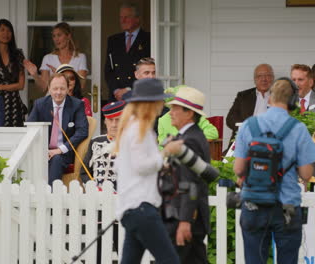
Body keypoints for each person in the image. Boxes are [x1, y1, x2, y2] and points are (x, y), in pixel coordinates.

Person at [233, 79, 315, 264]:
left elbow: (238, 169)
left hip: (254, 204)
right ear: (293, 101)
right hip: (286, 207)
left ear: (270, 98)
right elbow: (306, 174)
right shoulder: (298, 129)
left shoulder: (249, 125)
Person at [113, 78, 179, 264]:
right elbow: (142, 165)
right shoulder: (140, 129)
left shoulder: (131, 128)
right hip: (142, 208)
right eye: (160, 100)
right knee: (170, 260)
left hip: (131, 210)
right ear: (151, 103)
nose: (162, 105)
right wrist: (166, 152)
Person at [161, 86, 211, 263]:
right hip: (188, 217)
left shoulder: (190, 140)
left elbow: (190, 184)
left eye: (175, 108)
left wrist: (185, 221)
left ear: (189, 113)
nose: (170, 112)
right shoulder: (192, 136)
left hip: (186, 217)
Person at [27, 73, 88, 185]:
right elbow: (30, 129)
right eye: (55, 88)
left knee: (56, 159)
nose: (58, 92)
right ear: (49, 88)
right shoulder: (40, 104)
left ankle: (51, 196)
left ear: (68, 88)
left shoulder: (77, 105)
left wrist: (60, 149)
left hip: (64, 152)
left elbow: (82, 131)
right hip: (42, 151)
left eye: (62, 88)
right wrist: (42, 150)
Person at [24, 22, 88, 93]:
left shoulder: (80, 57)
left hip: (72, 101)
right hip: (53, 102)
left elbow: (81, 86)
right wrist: (35, 75)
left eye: (59, 35)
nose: (56, 39)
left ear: (68, 36)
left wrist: (60, 74)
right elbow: (43, 88)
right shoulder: (48, 58)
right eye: (54, 36)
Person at [105, 3, 150, 101]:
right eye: (121, 17)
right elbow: (109, 70)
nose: (123, 20)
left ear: (137, 19)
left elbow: (148, 71)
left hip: (138, 96)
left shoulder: (148, 39)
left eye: (127, 17)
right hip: (116, 98)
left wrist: (129, 89)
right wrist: (116, 90)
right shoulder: (113, 40)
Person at [81, 100, 125, 188]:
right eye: (110, 120)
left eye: (118, 120)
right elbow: (84, 172)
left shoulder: (130, 143)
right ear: (105, 121)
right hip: (97, 195)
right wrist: (92, 185)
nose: (114, 124)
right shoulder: (95, 142)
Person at [226, 63, 274, 143]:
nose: (264, 79)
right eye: (259, 76)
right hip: (245, 139)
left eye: (267, 75)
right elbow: (230, 119)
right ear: (254, 79)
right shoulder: (243, 96)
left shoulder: (280, 96)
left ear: (272, 78)